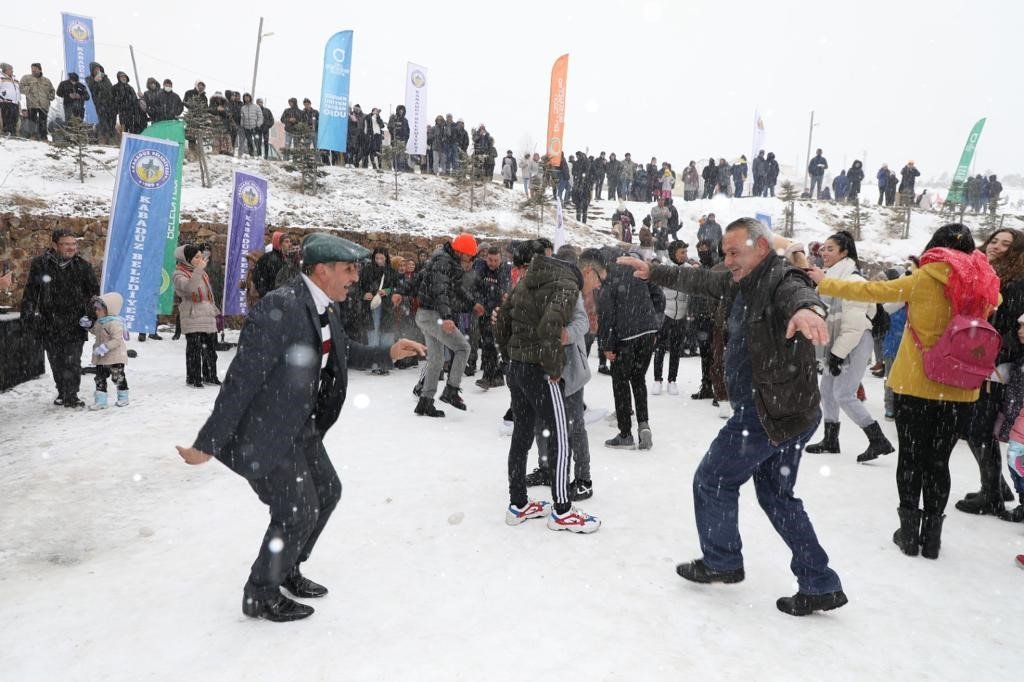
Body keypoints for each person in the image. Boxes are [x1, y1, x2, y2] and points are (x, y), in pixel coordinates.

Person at [176, 233, 425, 622]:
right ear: (321, 270)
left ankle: (287, 566)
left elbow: (342, 352)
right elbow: (242, 378)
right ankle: (261, 593)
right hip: (267, 428)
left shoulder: (325, 306)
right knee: (296, 511)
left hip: (301, 426)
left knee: (327, 492)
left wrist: (387, 353)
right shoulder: (281, 307)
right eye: (348, 269)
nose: (355, 277)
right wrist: (208, 441)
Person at [619, 216, 848, 616]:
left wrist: (809, 309)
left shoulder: (778, 277)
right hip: (791, 411)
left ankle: (723, 561)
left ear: (761, 247)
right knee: (777, 495)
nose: (727, 260)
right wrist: (652, 271)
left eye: (734, 252)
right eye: (725, 253)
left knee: (712, 480)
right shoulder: (740, 279)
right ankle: (820, 582)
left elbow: (798, 291)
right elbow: (700, 281)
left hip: (767, 412)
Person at [808, 223, 1000, 560]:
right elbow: (996, 301)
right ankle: (933, 537)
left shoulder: (925, 277)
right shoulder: (984, 284)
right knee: (939, 461)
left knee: (911, 457)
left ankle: (909, 533)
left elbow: (873, 292)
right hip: (961, 388)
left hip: (917, 382)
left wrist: (825, 281)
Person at [495, 245, 600, 533]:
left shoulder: (527, 279)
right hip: (540, 370)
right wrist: (553, 370)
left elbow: (502, 320)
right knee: (560, 437)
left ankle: (518, 504)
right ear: (581, 273)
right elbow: (550, 327)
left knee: (522, 434)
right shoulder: (566, 283)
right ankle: (563, 510)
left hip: (518, 368)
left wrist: (510, 357)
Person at [804, 232, 894, 462]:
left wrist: (836, 354)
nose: (823, 252)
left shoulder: (854, 281)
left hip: (855, 342)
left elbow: (854, 326)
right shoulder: (830, 280)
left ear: (844, 252)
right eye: (822, 248)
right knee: (826, 390)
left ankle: (878, 439)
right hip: (839, 342)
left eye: (830, 248)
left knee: (843, 393)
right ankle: (830, 439)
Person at [954, 228, 1024, 515]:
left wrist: (992, 357)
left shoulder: (1016, 282)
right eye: (994, 240)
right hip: (984, 357)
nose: (996, 247)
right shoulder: (986, 272)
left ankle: (991, 492)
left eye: (1006, 244)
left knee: (979, 428)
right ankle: (995, 485)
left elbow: (1011, 329)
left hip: (995, 362)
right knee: (978, 426)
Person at [20, 228, 100, 409]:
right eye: (66, 244)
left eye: (73, 244)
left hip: (75, 322)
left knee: (72, 360)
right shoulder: (40, 264)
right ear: (55, 245)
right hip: (49, 321)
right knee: (56, 360)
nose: (71, 248)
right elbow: (31, 292)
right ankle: (62, 391)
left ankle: (71, 395)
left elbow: (94, 295)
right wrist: (28, 315)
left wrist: (91, 316)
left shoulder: (83, 266)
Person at [597, 246, 665, 450]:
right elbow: (659, 296)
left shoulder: (609, 277)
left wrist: (606, 345)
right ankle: (644, 425)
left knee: (620, 382)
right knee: (638, 378)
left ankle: (625, 432)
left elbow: (606, 314)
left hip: (626, 337)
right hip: (647, 334)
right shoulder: (636, 270)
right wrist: (653, 323)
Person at [414, 234, 479, 417]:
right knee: (463, 348)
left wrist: (472, 303)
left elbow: (455, 288)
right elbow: (440, 290)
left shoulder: (443, 259)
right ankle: (451, 390)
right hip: (434, 315)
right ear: (462, 252)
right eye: (470, 256)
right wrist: (447, 316)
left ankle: (425, 402)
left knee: (436, 360)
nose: (471, 259)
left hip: (425, 314)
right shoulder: (444, 261)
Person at [173, 245, 220, 388]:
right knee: (195, 349)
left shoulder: (202, 273)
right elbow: (189, 288)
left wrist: (214, 309)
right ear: (187, 259)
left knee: (210, 349)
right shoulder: (179, 274)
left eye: (201, 256)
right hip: (192, 314)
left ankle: (210, 375)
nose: (200, 260)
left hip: (207, 313)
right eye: (196, 257)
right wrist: (199, 269)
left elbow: (208, 294)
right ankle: (194, 378)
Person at [652, 241, 691, 396]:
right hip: (665, 314)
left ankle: (672, 380)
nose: (685, 255)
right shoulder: (664, 269)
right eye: (682, 252)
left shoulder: (689, 271)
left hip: (681, 315)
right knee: (660, 347)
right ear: (674, 253)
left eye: (686, 252)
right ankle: (657, 379)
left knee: (676, 348)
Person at [82, 292, 130, 409]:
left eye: (99, 309)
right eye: (96, 309)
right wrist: (88, 326)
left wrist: (105, 347)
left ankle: (123, 397)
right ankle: (101, 401)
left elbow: (116, 340)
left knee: (117, 377)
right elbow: (96, 331)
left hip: (115, 357)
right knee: (99, 378)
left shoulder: (115, 323)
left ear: (109, 309)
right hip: (101, 357)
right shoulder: (100, 321)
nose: (96, 312)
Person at [358, 247, 402, 367]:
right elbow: (358, 287)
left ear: (386, 258)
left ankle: (384, 362)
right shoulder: (366, 270)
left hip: (387, 307)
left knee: (387, 334)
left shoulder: (391, 272)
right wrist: (364, 294)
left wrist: (388, 291)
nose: (379, 261)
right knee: (373, 334)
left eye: (381, 258)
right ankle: (374, 363)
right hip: (371, 307)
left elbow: (398, 287)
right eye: (376, 258)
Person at [251, 231, 293, 298]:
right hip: (272, 300)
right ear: (279, 243)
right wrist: (267, 295)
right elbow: (258, 279)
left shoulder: (288, 259)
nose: (289, 244)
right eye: (286, 242)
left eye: (290, 241)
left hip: (285, 299)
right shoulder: (266, 259)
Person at [19, 63, 54, 141]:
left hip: (44, 104)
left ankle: (43, 137)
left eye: (35, 69)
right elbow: (20, 88)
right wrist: (28, 89)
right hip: (32, 103)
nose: (33, 70)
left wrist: (50, 97)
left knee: (43, 121)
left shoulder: (47, 80)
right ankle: (33, 136)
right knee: (32, 120)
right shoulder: (26, 78)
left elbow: (52, 90)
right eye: (32, 69)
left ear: (40, 69)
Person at [86, 62, 116, 144]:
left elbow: (110, 89)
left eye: (98, 68)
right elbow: (92, 88)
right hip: (100, 104)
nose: (97, 70)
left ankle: (112, 139)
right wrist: (95, 81)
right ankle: (103, 139)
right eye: (95, 69)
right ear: (92, 71)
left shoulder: (106, 78)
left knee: (112, 122)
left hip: (110, 104)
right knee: (103, 122)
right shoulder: (89, 79)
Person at [0, 63, 19, 136]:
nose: (12, 71)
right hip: (5, 101)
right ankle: (6, 131)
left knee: (14, 118)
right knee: (7, 117)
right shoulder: (1, 77)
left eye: (12, 69)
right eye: (10, 69)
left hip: (15, 102)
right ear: (5, 70)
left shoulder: (15, 79)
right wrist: (2, 95)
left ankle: (13, 132)